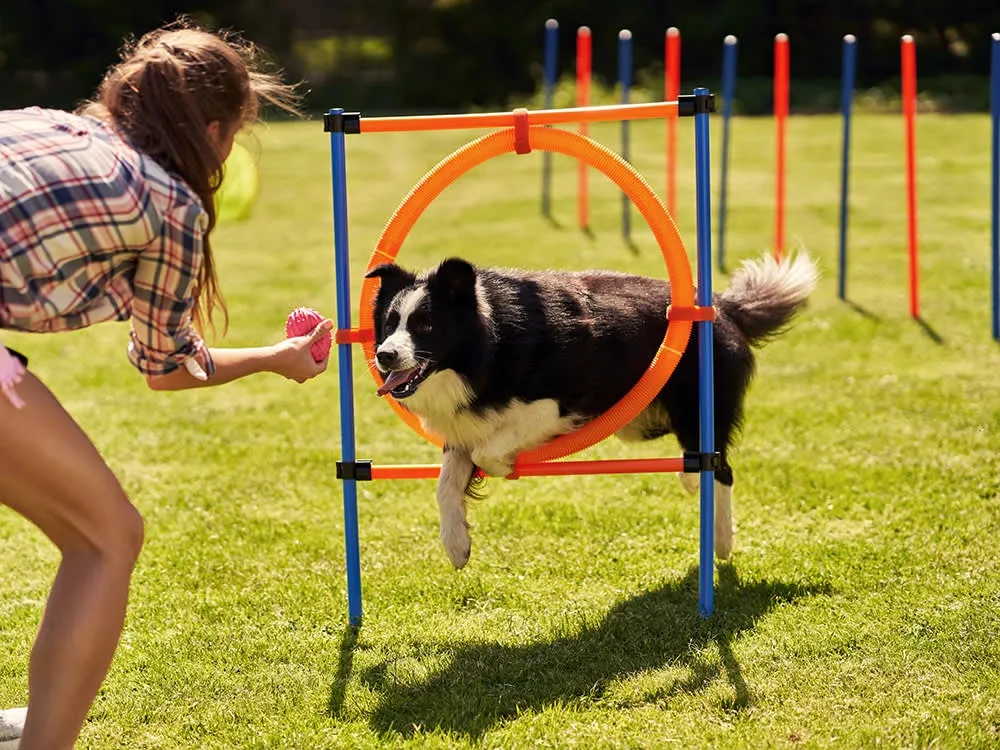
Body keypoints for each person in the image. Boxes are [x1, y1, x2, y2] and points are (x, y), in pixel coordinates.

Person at [0, 19, 331, 749]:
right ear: (213, 131)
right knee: (106, 537)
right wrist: (279, 357)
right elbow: (169, 369)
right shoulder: (168, 203)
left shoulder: (48, 123)